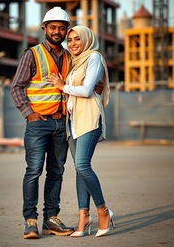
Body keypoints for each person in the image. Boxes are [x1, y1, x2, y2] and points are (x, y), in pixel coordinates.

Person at [10, 7, 74, 239]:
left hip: (61, 124)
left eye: (62, 27)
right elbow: (16, 86)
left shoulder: (69, 56)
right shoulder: (32, 54)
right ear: (44, 28)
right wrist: (29, 113)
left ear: (67, 30)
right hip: (38, 124)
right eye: (53, 27)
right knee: (34, 171)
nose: (57, 31)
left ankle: (51, 218)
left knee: (56, 172)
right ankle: (30, 220)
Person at [47, 26, 115, 237]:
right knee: (79, 169)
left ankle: (103, 211)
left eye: (78, 39)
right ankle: (83, 217)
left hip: (89, 118)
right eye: (70, 39)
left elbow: (86, 91)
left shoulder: (93, 57)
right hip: (73, 121)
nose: (74, 43)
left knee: (82, 165)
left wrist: (61, 85)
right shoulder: (74, 63)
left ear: (86, 39)